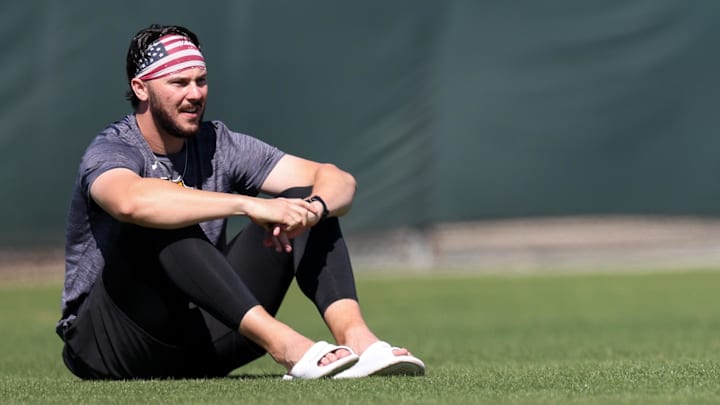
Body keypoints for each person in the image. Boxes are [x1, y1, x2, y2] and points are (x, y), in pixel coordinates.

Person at [55, 23, 425, 380]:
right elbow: (130, 202)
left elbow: (338, 180)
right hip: (108, 346)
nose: (195, 94)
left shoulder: (221, 144)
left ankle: (358, 339)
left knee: (302, 198)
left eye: (201, 81)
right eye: (179, 83)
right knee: (162, 212)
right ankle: (287, 345)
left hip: (198, 343)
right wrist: (249, 204)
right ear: (141, 88)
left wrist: (311, 211)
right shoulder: (112, 149)